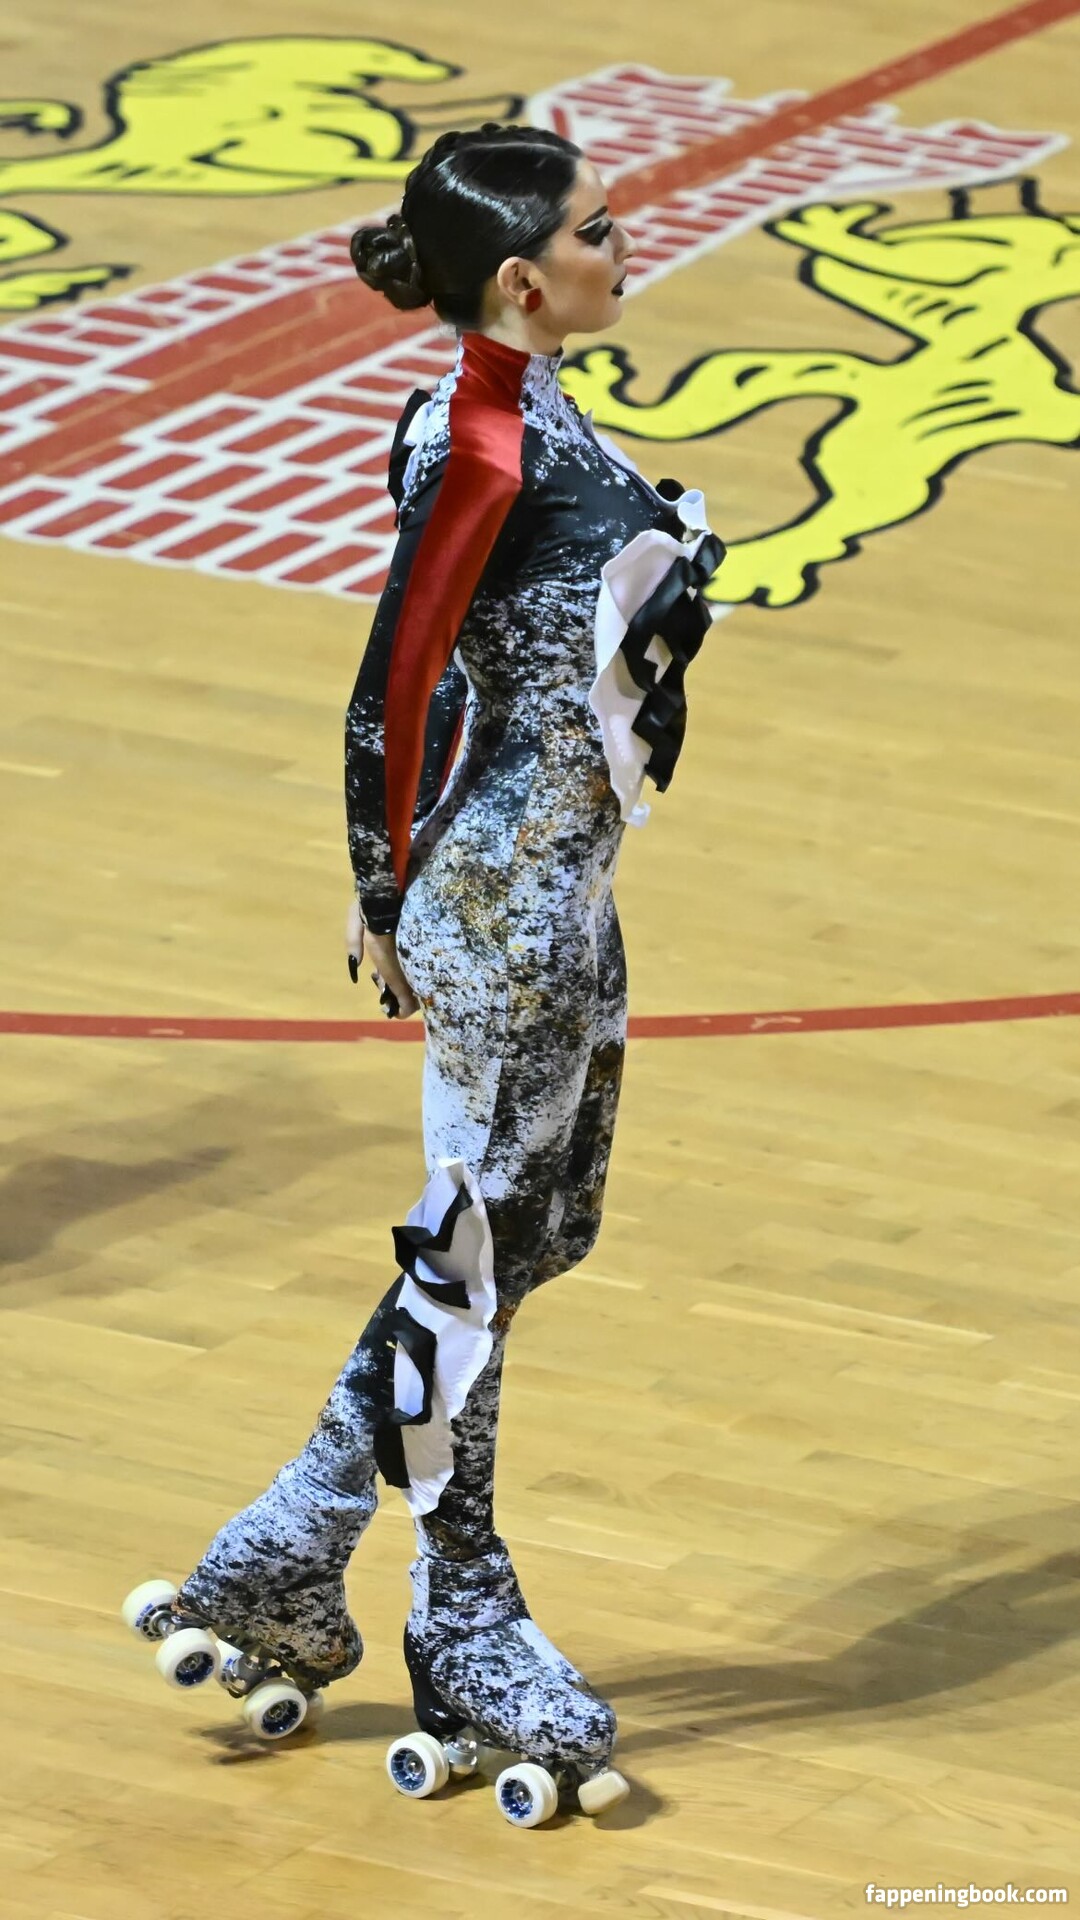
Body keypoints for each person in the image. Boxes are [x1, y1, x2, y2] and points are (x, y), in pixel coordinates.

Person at [126, 123, 723, 1822]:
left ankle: (284, 1549)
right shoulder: (477, 440)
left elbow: (480, 663)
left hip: (566, 900)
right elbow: (395, 676)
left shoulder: (525, 409)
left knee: (533, 1236)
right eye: (601, 230)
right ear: (523, 280)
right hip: (508, 912)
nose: (627, 242)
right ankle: (459, 1611)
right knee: (467, 1266)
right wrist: (385, 886)